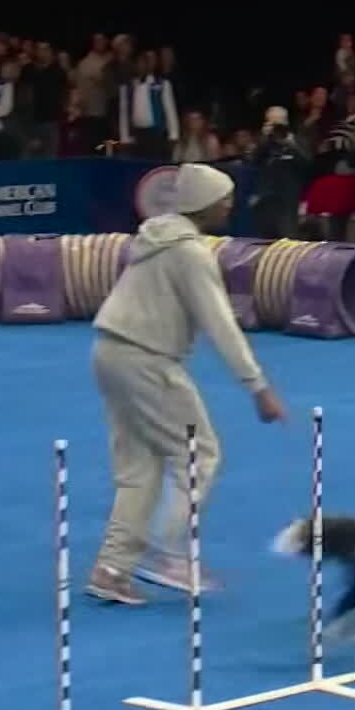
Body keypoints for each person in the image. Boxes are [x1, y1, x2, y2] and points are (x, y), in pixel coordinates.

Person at [86, 163, 288, 605]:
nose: (230, 205)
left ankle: (112, 568)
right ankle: (167, 552)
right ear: (204, 203)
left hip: (109, 351)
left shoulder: (154, 239)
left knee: (140, 468)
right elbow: (220, 324)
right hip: (147, 359)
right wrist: (258, 386)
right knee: (199, 453)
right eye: (224, 198)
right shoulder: (190, 253)